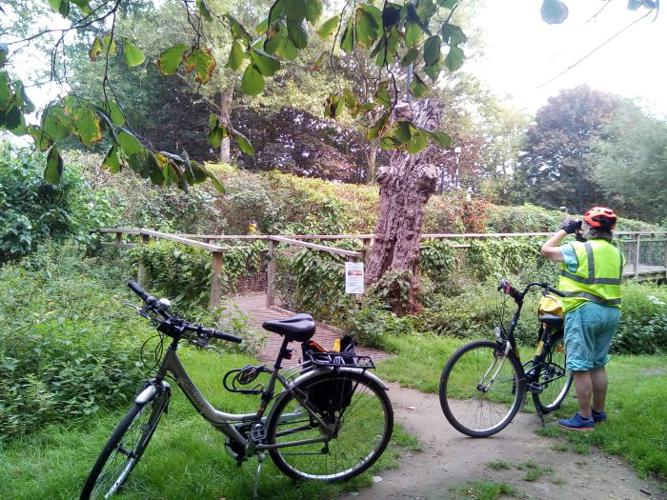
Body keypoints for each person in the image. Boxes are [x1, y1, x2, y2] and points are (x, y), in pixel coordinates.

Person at [540, 207, 624, 432]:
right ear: (610, 231)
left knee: (579, 366)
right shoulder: (617, 253)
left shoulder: (578, 249)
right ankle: (598, 412)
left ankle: (584, 419)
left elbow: (546, 250)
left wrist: (564, 230)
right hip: (611, 313)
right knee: (598, 364)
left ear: (587, 227)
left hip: (584, 312)